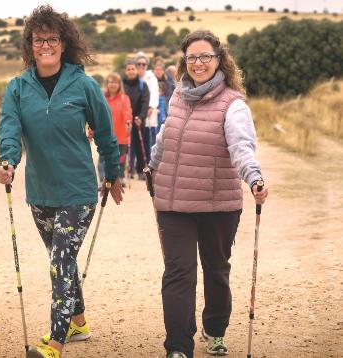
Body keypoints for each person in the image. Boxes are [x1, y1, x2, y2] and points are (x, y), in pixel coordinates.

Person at [0, 5, 123, 358]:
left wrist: (112, 173)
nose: (46, 45)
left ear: (64, 43)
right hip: (40, 192)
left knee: (60, 262)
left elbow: (106, 133)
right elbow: (9, 129)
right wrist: (7, 161)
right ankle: (78, 321)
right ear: (30, 45)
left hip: (79, 191)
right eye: (39, 39)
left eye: (52, 38)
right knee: (61, 259)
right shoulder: (18, 88)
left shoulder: (83, 85)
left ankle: (55, 341)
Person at [149, 30, 268, 358]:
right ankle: (178, 347)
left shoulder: (232, 103)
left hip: (218, 205)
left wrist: (253, 178)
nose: (198, 63)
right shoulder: (176, 96)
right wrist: (151, 165)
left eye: (205, 57)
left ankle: (214, 330)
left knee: (216, 269)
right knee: (178, 272)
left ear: (219, 61)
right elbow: (165, 136)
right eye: (191, 57)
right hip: (173, 203)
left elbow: (241, 145)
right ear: (183, 62)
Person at [97, 72, 132, 187]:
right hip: (106, 134)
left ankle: (120, 178)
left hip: (121, 134)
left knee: (121, 159)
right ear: (107, 84)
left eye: (116, 82)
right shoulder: (102, 98)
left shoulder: (124, 98)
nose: (113, 85)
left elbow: (127, 112)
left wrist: (128, 122)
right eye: (111, 82)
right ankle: (103, 180)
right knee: (103, 159)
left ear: (119, 85)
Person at [122, 59, 150, 180]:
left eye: (133, 69)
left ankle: (140, 171)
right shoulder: (121, 84)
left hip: (138, 120)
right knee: (123, 147)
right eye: (128, 69)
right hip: (123, 121)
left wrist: (141, 117)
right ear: (125, 71)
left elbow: (145, 102)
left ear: (136, 70)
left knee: (140, 147)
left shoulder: (142, 85)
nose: (131, 71)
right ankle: (122, 172)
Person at [135, 52, 159, 160]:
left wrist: (150, 107)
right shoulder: (133, 77)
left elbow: (154, 93)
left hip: (148, 112)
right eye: (138, 64)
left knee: (148, 139)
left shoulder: (151, 77)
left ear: (147, 65)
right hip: (136, 112)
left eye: (143, 64)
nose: (141, 66)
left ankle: (149, 163)